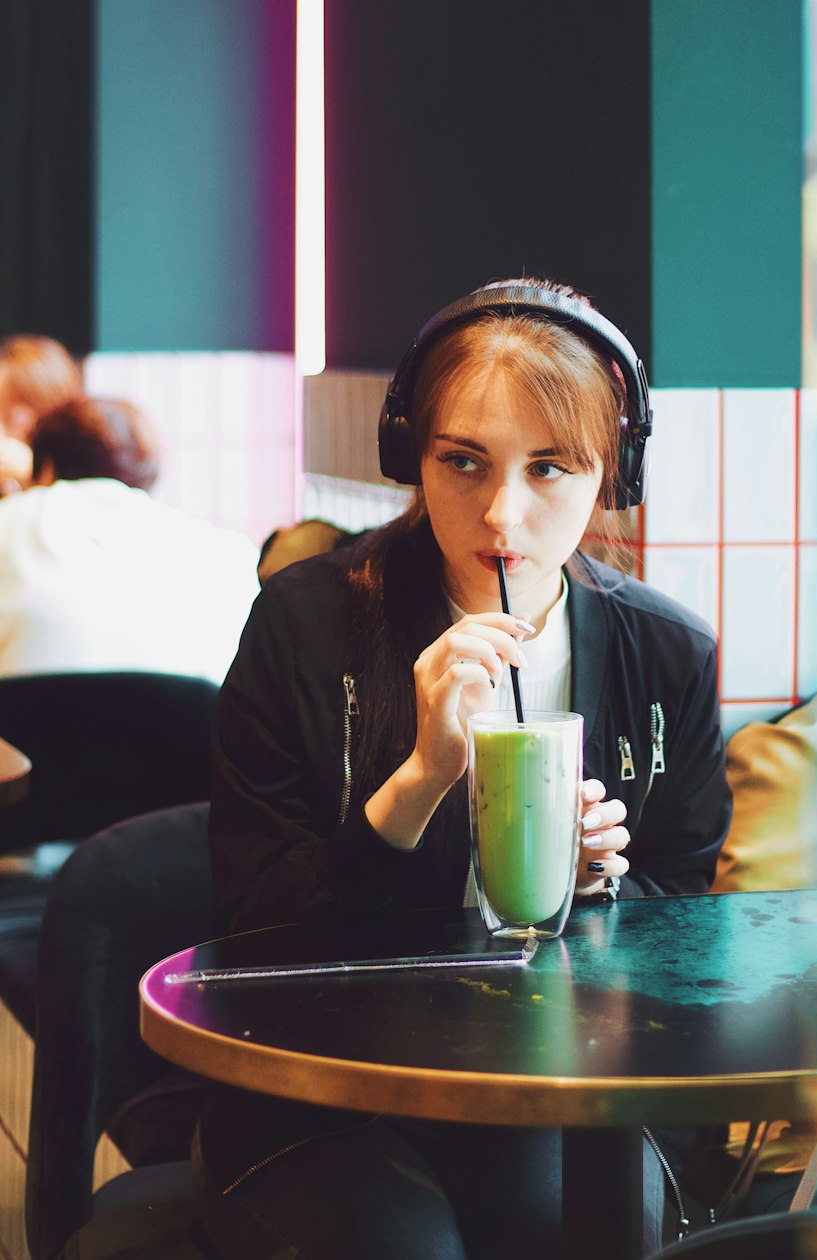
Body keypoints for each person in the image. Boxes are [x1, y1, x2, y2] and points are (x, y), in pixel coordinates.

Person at [198, 279, 732, 1259]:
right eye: (463, 463)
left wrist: (601, 886)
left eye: (551, 469)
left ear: (609, 475)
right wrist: (418, 781)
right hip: (324, 1089)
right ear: (411, 456)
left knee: (571, 1224)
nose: (503, 515)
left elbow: (688, 936)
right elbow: (250, 934)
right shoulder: (306, 625)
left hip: (559, 1084)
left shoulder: (667, 657)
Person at [0, 396, 261, 684]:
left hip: (25, 723)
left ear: (47, 467)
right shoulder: (227, 553)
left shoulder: (13, 519)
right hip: (181, 725)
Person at [0, 334, 83, 495]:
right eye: (8, 407)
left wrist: (32, 474)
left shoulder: (83, 457)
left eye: (27, 401)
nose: (20, 418)